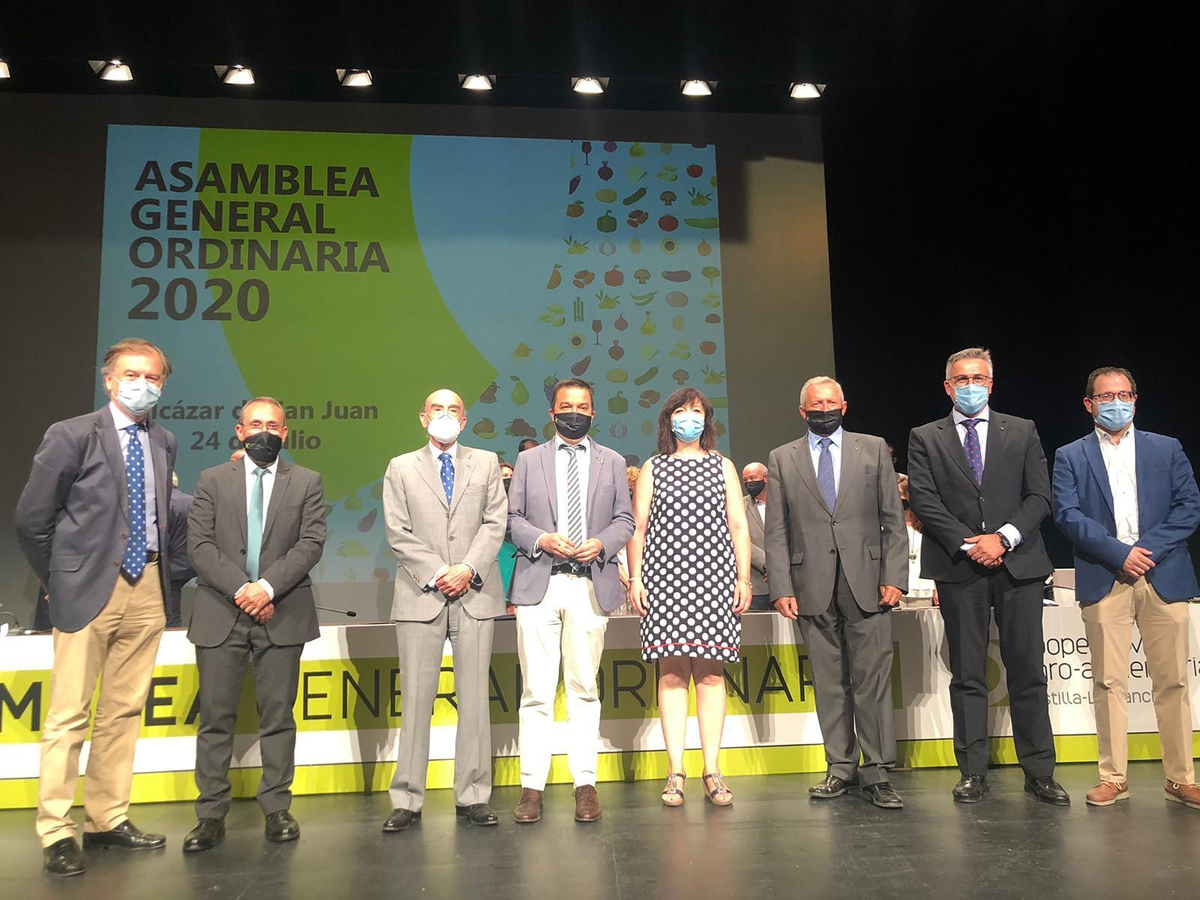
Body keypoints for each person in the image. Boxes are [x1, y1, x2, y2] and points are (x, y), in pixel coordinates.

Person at [15, 338, 177, 876]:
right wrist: (57, 578)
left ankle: (107, 818)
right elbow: (32, 518)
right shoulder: (72, 434)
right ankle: (57, 829)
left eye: (152, 377)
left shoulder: (165, 441)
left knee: (124, 709)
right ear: (109, 380)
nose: (142, 385)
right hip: (85, 588)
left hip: (147, 585)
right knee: (69, 713)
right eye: (132, 374)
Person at [907, 347, 1069, 805]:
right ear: (948, 387)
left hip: (1019, 565)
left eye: (978, 378)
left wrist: (1003, 538)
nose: (971, 386)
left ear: (991, 384)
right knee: (968, 674)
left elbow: (1039, 495)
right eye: (962, 379)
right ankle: (972, 772)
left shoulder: (1021, 429)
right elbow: (923, 499)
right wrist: (971, 544)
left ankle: (1040, 771)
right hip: (959, 567)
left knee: (1027, 671)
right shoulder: (925, 436)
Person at [182, 397, 328, 851]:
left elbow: (310, 543)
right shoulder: (211, 480)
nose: (264, 432)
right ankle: (210, 815)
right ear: (240, 431)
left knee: (278, 717)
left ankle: (277, 807)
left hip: (281, 612)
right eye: (255, 424)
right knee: (215, 718)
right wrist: (243, 591)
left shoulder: (306, 481)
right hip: (220, 613)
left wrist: (265, 588)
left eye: (273, 425)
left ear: (285, 433)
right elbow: (199, 546)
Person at [1052, 367, 1200, 809]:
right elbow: (1066, 514)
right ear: (1089, 404)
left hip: (1162, 573)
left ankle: (1181, 778)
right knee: (1108, 682)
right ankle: (1113, 777)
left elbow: (1189, 507)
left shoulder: (1167, 448)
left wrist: (1144, 550)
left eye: (1124, 395)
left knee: (1173, 682)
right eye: (1106, 396)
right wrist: (1120, 554)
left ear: (1135, 399)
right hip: (1106, 575)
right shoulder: (1070, 455)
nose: (1116, 403)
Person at [765, 376, 908, 808]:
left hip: (869, 581)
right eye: (816, 404)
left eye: (831, 402)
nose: (824, 409)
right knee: (829, 683)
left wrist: (895, 576)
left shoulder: (873, 449)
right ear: (802, 411)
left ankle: (877, 772)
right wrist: (781, 585)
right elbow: (776, 529)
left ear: (844, 406)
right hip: (810, 583)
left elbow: (893, 519)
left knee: (872, 680)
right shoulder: (782, 458)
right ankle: (840, 767)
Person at [506, 378, 635, 824]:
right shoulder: (529, 460)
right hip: (539, 585)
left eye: (582, 406)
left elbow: (624, 520)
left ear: (593, 413)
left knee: (584, 689)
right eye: (566, 406)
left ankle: (585, 784)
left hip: (588, 584)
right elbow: (511, 518)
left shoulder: (611, 461)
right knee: (536, 692)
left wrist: (601, 543)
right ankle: (532, 788)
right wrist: (542, 538)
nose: (573, 413)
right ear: (552, 413)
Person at [381, 389, 507, 831]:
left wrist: (468, 568)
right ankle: (407, 798)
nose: (446, 415)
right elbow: (397, 531)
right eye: (438, 409)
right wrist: (439, 572)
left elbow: (495, 522)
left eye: (454, 410)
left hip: (475, 594)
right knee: (417, 699)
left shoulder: (486, 463)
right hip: (421, 595)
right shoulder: (400, 467)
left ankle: (473, 795)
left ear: (464, 420)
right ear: (423, 418)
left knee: (474, 698)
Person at [627, 388, 752, 807]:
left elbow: (738, 525)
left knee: (712, 674)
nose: (688, 417)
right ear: (668, 420)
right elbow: (638, 527)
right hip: (665, 581)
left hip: (715, 580)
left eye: (696, 411)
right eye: (680, 411)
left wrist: (743, 578)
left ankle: (712, 769)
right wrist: (636, 579)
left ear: (707, 420)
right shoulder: (654, 467)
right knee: (672, 674)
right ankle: (675, 770)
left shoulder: (722, 466)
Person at [898, 475, 938, 606]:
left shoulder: (927, 524)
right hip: (897, 587)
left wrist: (937, 587)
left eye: (900, 494)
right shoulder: (890, 526)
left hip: (923, 587)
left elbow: (934, 558)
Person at [166, 471, 196, 628]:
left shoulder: (164, 504)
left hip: (166, 567)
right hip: (187, 565)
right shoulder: (192, 502)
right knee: (173, 613)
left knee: (169, 615)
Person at [741, 462, 771, 610]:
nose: (749, 483)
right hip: (757, 584)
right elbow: (739, 539)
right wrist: (767, 564)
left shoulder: (783, 502)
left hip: (788, 582)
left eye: (752, 478)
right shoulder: (740, 505)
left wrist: (779, 568)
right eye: (745, 480)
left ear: (766, 478)